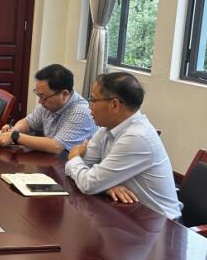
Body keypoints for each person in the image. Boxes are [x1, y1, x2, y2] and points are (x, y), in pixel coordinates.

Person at [65, 71, 182, 220]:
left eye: (93, 100)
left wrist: (74, 157)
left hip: (160, 224)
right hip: (129, 213)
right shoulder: (107, 128)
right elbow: (84, 169)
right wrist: (106, 185)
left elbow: (88, 182)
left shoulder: (136, 137)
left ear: (114, 104)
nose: (89, 106)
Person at [0, 64, 97, 154]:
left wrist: (15, 136)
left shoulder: (81, 112)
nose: (40, 101)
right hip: (51, 164)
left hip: (71, 168)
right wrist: (14, 130)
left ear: (64, 94)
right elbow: (27, 122)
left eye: (43, 97)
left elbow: (56, 146)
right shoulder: (48, 104)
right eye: (38, 95)